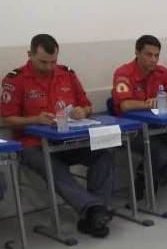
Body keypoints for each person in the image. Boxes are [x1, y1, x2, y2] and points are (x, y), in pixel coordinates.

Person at [1, 34, 113, 238]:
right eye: (43, 62)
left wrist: (82, 111)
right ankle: (94, 210)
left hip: (67, 140)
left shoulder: (66, 74)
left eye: (53, 62)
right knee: (52, 166)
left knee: (102, 155)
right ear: (30, 55)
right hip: (31, 144)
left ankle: (94, 215)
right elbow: (7, 120)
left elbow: (86, 105)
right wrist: (35, 119)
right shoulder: (15, 80)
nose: (49, 67)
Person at [113, 35, 167, 200]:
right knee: (160, 152)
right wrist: (149, 104)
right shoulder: (123, 73)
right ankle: (146, 182)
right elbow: (125, 105)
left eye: (156, 55)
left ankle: (152, 180)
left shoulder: (161, 72)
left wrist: (166, 101)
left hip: (158, 126)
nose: (153, 59)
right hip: (133, 129)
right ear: (137, 53)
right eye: (149, 54)